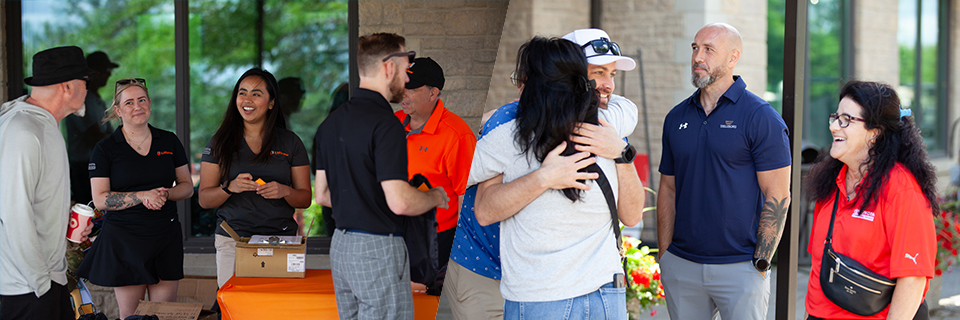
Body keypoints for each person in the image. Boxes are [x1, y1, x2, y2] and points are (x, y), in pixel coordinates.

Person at [443, 28, 641, 320]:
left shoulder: (608, 131)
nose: (606, 85)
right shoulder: (510, 130)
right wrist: (543, 177)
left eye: (610, 74)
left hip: (593, 294)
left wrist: (622, 153)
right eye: (597, 73)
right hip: (531, 288)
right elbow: (471, 195)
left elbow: (633, 215)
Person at [656, 22, 792, 320]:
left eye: (708, 49)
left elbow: (778, 194)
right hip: (683, 266)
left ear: (733, 58)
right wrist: (666, 255)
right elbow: (668, 189)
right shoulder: (676, 117)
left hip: (740, 268)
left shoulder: (761, 118)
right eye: (694, 48)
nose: (697, 57)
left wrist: (761, 262)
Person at [314, 32, 449, 320]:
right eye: (405, 68)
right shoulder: (387, 124)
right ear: (389, 67)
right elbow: (400, 202)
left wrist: (360, 205)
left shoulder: (330, 124)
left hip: (341, 246)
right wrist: (436, 195)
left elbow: (322, 195)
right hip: (377, 246)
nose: (406, 77)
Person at [804, 81, 937, 320]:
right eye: (835, 117)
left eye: (846, 119)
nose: (835, 127)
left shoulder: (902, 190)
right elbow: (818, 268)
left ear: (875, 131)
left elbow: (913, 279)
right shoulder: (831, 184)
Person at [75, 78, 194, 319]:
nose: (137, 106)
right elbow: (100, 199)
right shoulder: (106, 148)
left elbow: (187, 187)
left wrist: (164, 194)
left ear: (149, 103)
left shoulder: (169, 141)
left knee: (163, 316)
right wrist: (142, 196)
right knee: (131, 317)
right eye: (129, 102)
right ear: (118, 110)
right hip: (125, 239)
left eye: (142, 100)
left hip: (165, 236)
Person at [0, 45, 94, 320]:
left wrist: (62, 218)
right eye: (84, 82)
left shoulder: (43, 125)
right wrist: (41, 283)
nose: (88, 88)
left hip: (46, 283)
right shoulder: (23, 130)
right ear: (67, 87)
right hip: (27, 289)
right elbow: (13, 213)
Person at [198, 68, 313, 288]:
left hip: (281, 240)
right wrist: (230, 188)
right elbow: (204, 199)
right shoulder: (219, 143)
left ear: (271, 103)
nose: (247, 100)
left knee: (278, 309)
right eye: (242, 93)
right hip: (233, 240)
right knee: (236, 309)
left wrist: (285, 191)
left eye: (256, 93)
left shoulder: (291, 142)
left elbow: (305, 199)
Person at [394, 57, 476, 275]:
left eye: (410, 88)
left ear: (433, 93)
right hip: (393, 234)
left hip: (435, 240)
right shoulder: (391, 123)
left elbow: (465, 198)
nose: (403, 93)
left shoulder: (457, 134)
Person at [65, 51, 118, 205]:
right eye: (106, 71)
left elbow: (107, 134)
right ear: (94, 72)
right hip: (84, 167)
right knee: (90, 210)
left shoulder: (96, 99)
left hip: (95, 164)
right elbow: (94, 136)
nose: (108, 75)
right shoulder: (82, 100)